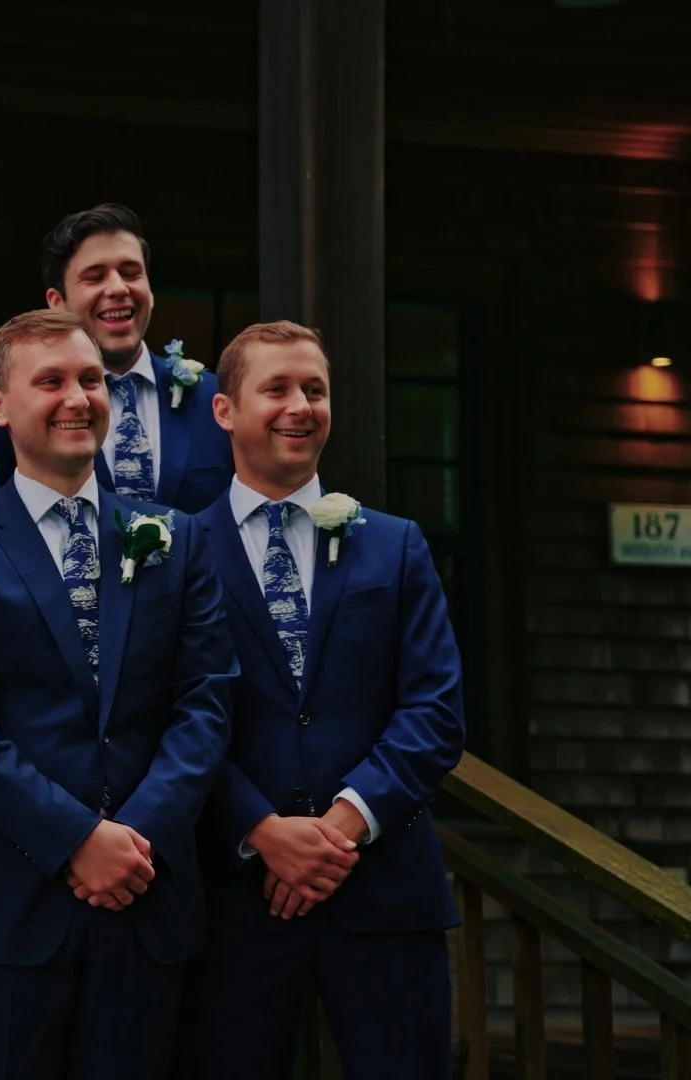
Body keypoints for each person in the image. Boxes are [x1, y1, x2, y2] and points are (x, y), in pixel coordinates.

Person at [0, 307, 234, 1079]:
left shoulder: (176, 539)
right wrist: (74, 841)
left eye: (91, 380)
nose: (77, 398)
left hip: (146, 895)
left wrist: (137, 838)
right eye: (49, 381)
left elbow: (207, 699)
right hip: (6, 904)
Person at [180, 321, 465, 1080]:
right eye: (276, 388)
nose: (299, 406)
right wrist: (262, 829)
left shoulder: (394, 544)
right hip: (237, 895)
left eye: (315, 389)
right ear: (223, 410)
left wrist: (340, 827)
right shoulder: (179, 551)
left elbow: (435, 710)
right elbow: (171, 716)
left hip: (383, 890)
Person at [0, 204, 235, 506]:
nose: (118, 288)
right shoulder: (0, 407)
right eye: (95, 277)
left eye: (131, 272)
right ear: (57, 302)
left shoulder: (215, 398)